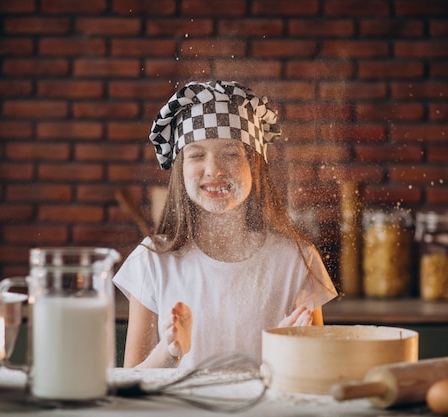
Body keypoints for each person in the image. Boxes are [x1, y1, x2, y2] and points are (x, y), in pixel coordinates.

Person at [113, 80, 338, 368]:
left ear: (254, 165)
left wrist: (294, 350)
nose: (213, 169)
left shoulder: (296, 259)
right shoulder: (152, 261)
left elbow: (318, 378)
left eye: (230, 153)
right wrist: (169, 352)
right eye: (196, 155)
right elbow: (132, 389)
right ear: (180, 169)